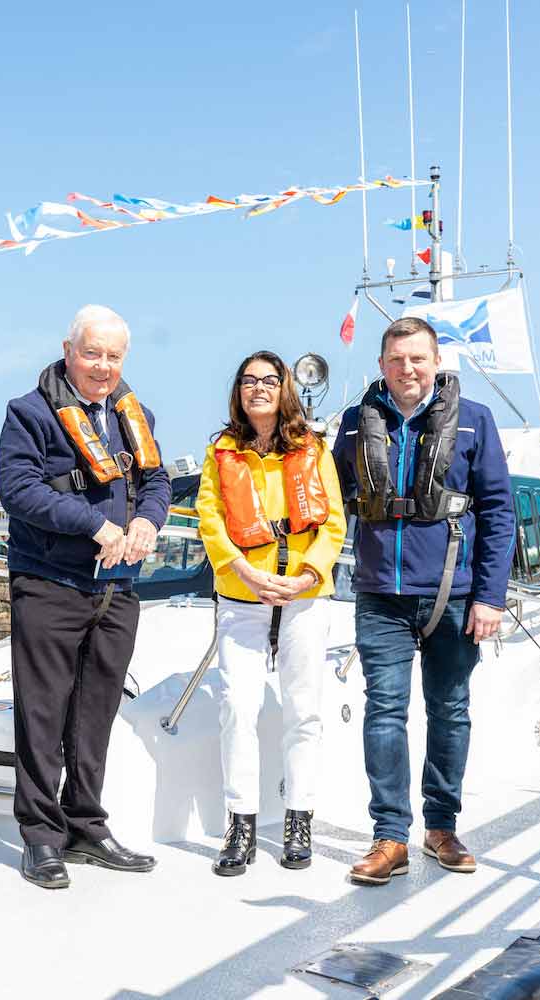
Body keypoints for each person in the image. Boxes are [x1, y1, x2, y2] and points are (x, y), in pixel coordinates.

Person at [331, 316, 515, 885]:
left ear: (436, 363)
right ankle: (390, 837)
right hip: (380, 593)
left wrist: (489, 596)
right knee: (384, 711)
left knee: (450, 709)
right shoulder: (354, 424)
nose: (406, 369)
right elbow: (331, 498)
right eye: (395, 360)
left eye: (417, 359)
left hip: (454, 597)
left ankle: (440, 826)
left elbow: (499, 513)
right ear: (382, 365)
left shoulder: (476, 422)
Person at [0, 304, 171, 890]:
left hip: (117, 590)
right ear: (69, 349)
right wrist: (93, 526)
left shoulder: (135, 415)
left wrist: (147, 523)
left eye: (113, 356)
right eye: (92, 353)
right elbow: (18, 490)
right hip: (50, 583)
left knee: (96, 714)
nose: (102, 366)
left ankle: (85, 825)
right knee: (41, 716)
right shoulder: (29, 413)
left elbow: (157, 483)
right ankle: (41, 838)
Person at [196, 352, 347, 876]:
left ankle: (298, 818)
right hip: (242, 594)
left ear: (283, 388)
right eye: (247, 380)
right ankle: (240, 824)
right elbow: (210, 521)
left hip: (305, 592)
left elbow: (332, 523)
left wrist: (308, 574)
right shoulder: (221, 451)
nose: (257, 388)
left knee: (303, 710)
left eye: (268, 380)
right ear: (237, 391)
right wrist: (245, 572)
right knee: (237, 707)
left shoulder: (313, 447)